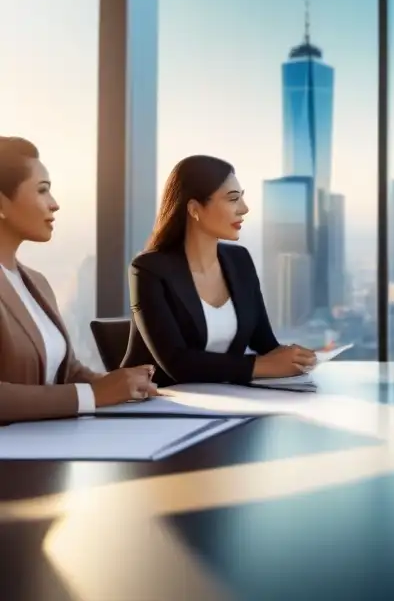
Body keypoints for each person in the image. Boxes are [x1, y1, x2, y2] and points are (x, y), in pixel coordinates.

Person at [0, 136, 157, 423]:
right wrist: (93, 395)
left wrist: (122, 383)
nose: (54, 204)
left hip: (55, 442)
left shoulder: (36, 283)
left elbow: (67, 372)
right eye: (42, 190)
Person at [122, 155, 316, 386]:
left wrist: (294, 358)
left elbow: (265, 344)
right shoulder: (148, 270)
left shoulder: (239, 260)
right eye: (233, 199)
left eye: (242, 197)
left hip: (221, 397)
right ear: (194, 209)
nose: (244, 209)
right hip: (155, 399)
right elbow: (177, 364)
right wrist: (263, 366)